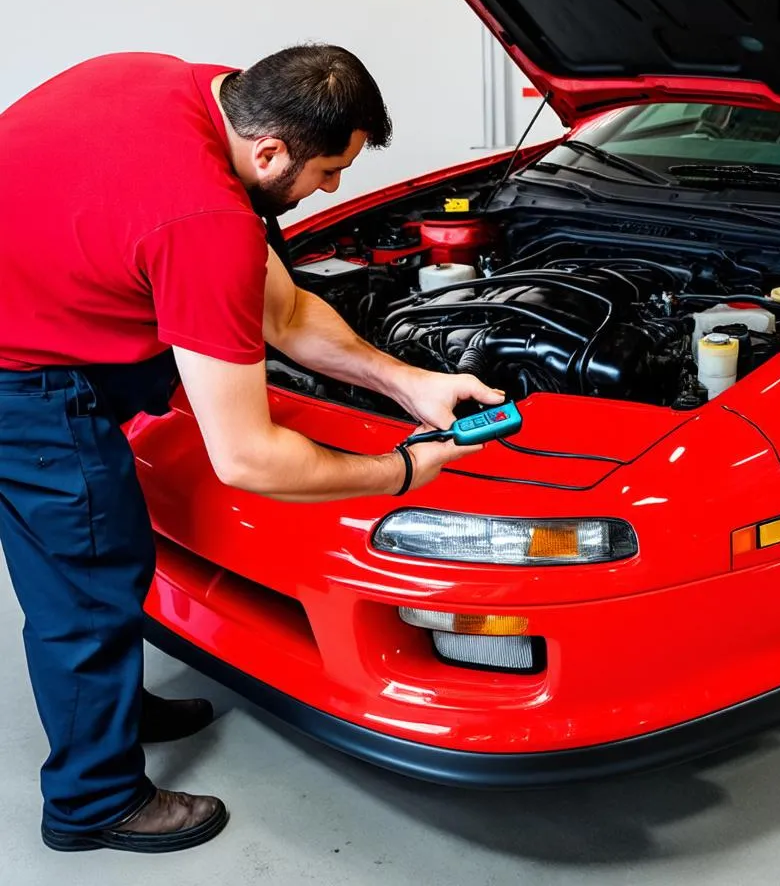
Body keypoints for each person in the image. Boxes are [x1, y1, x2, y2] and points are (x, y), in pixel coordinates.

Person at [0, 46, 504, 854]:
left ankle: (109, 707)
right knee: (87, 577)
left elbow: (286, 312)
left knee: (95, 563)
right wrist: (401, 470)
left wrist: (407, 383)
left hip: (38, 296)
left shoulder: (171, 81)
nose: (332, 192)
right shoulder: (204, 222)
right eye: (328, 173)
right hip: (22, 380)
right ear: (270, 151)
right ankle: (92, 802)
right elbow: (249, 459)